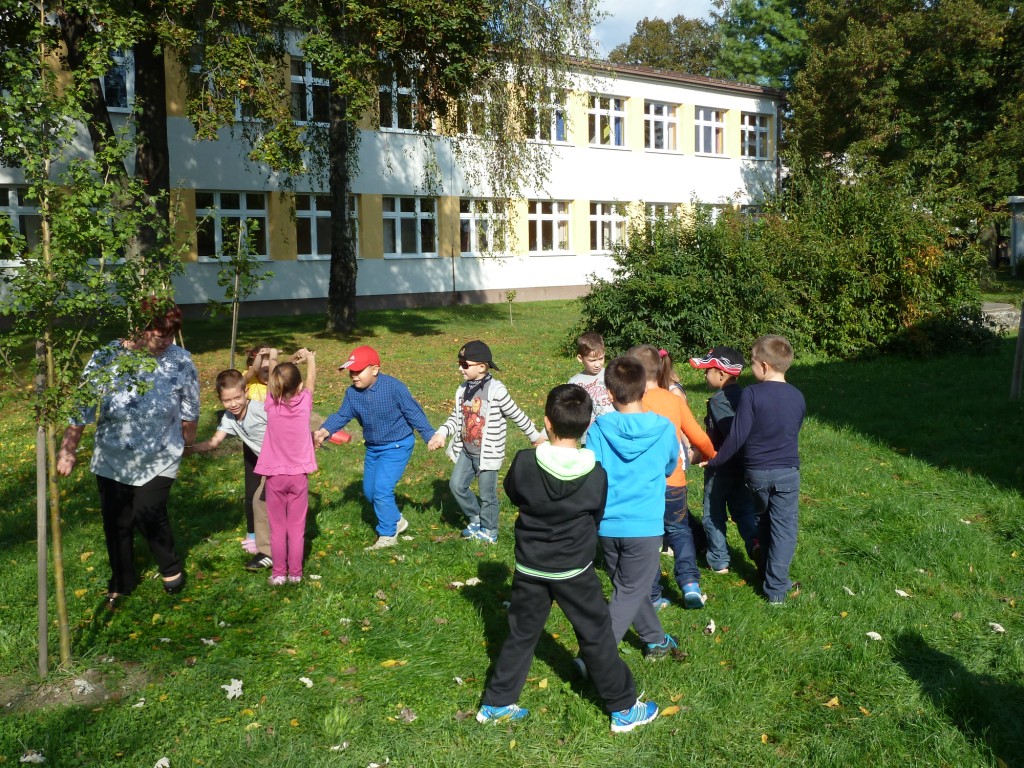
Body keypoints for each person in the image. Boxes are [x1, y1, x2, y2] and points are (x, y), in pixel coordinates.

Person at [476, 384, 659, 733]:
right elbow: (596, 514)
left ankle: (496, 703)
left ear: (547, 422)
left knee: (521, 634)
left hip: (530, 566)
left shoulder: (525, 462)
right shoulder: (596, 474)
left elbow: (514, 493)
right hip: (574, 570)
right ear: (587, 426)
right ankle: (623, 708)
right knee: (596, 636)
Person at [56, 300, 199, 609]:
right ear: (139, 329)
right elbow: (81, 407)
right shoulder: (106, 357)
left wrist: (188, 444)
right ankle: (122, 580)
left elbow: (190, 409)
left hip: (161, 453)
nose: (167, 341)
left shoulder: (181, 360)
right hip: (113, 455)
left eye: (171, 335)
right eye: (160, 335)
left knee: (149, 511)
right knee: (116, 520)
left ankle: (170, 566)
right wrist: (68, 450)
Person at [585, 356, 679, 660]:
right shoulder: (664, 429)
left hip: (608, 524)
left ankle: (657, 641)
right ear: (644, 389)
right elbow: (670, 466)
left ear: (609, 393)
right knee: (629, 591)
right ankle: (594, 658)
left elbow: (592, 471)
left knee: (628, 589)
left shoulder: (599, 429)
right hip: (645, 525)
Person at [702, 335, 805, 605]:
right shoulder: (797, 396)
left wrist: (714, 461)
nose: (751, 367)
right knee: (784, 529)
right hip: (787, 471)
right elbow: (793, 430)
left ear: (764, 366)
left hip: (756, 472)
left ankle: (771, 579)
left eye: (752, 362)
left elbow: (737, 436)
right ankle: (776, 588)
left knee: (764, 523)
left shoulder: (751, 394)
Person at [313, 346, 436, 549]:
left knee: (381, 490)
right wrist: (325, 431)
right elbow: (342, 415)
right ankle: (396, 520)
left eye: (358, 371)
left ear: (375, 369)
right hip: (373, 447)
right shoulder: (352, 393)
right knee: (370, 492)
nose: (354, 376)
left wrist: (429, 435)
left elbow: (412, 411)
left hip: (397, 444)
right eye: (351, 371)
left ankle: (387, 535)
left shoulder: (393, 388)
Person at [625, 345, 716, 610]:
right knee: (680, 530)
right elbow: (698, 436)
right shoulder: (674, 400)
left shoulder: (632, 403)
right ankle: (690, 584)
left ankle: (653, 595)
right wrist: (711, 454)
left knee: (649, 538)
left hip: (643, 484)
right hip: (674, 480)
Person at [428, 340, 544, 544]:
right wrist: (441, 433)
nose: (460, 369)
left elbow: (517, 414)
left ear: (481, 367)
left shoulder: (496, 391)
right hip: (466, 451)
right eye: (459, 363)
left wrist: (535, 437)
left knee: (487, 495)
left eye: (464, 364)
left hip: (487, 455)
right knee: (456, 486)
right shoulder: (462, 390)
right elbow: (456, 418)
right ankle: (475, 518)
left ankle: (490, 531)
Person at [187, 368, 273, 572]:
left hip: (280, 462)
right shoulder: (228, 418)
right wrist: (189, 449)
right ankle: (266, 544)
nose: (233, 404)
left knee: (262, 502)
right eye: (227, 400)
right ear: (220, 399)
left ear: (246, 392)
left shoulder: (260, 409)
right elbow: (214, 442)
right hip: (262, 462)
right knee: (257, 500)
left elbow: (285, 422)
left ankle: (271, 551)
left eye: (237, 398)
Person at [689, 346, 757, 575]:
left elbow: (731, 434)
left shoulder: (719, 400)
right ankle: (756, 543)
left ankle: (718, 560)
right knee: (744, 510)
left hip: (720, 466)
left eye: (707, 370)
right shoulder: (745, 395)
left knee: (713, 513)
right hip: (742, 466)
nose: (704, 375)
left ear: (721, 373)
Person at [255, 348, 317, 585]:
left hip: (275, 477)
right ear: (299, 387)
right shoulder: (305, 403)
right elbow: (311, 381)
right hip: (298, 476)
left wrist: (272, 355)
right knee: (296, 528)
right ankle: (296, 575)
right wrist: (310, 359)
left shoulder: (272, 404)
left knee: (278, 528)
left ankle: (279, 574)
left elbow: (274, 374)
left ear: (273, 387)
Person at [568, 332, 613, 435]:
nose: (597, 364)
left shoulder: (611, 374)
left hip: (613, 429)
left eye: (601, 358)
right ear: (580, 358)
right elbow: (569, 410)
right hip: (590, 434)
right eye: (592, 360)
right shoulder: (575, 382)